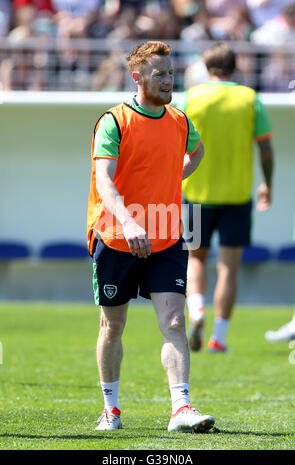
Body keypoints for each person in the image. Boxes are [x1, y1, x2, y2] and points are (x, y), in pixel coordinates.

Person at [87, 41, 215, 433]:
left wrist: (171, 176)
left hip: (165, 235)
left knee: (175, 321)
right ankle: (111, 410)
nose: (167, 79)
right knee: (113, 325)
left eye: (170, 72)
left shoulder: (179, 120)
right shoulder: (114, 120)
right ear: (137, 77)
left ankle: (181, 408)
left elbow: (199, 150)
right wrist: (129, 221)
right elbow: (104, 182)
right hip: (117, 235)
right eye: (159, 73)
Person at [179, 42, 274, 353]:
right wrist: (267, 185)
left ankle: (197, 312)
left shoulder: (192, 98)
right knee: (228, 268)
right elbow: (266, 148)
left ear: (207, 68)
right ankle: (218, 338)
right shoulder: (249, 98)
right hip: (236, 195)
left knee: (194, 258)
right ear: (236, 67)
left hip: (194, 193)